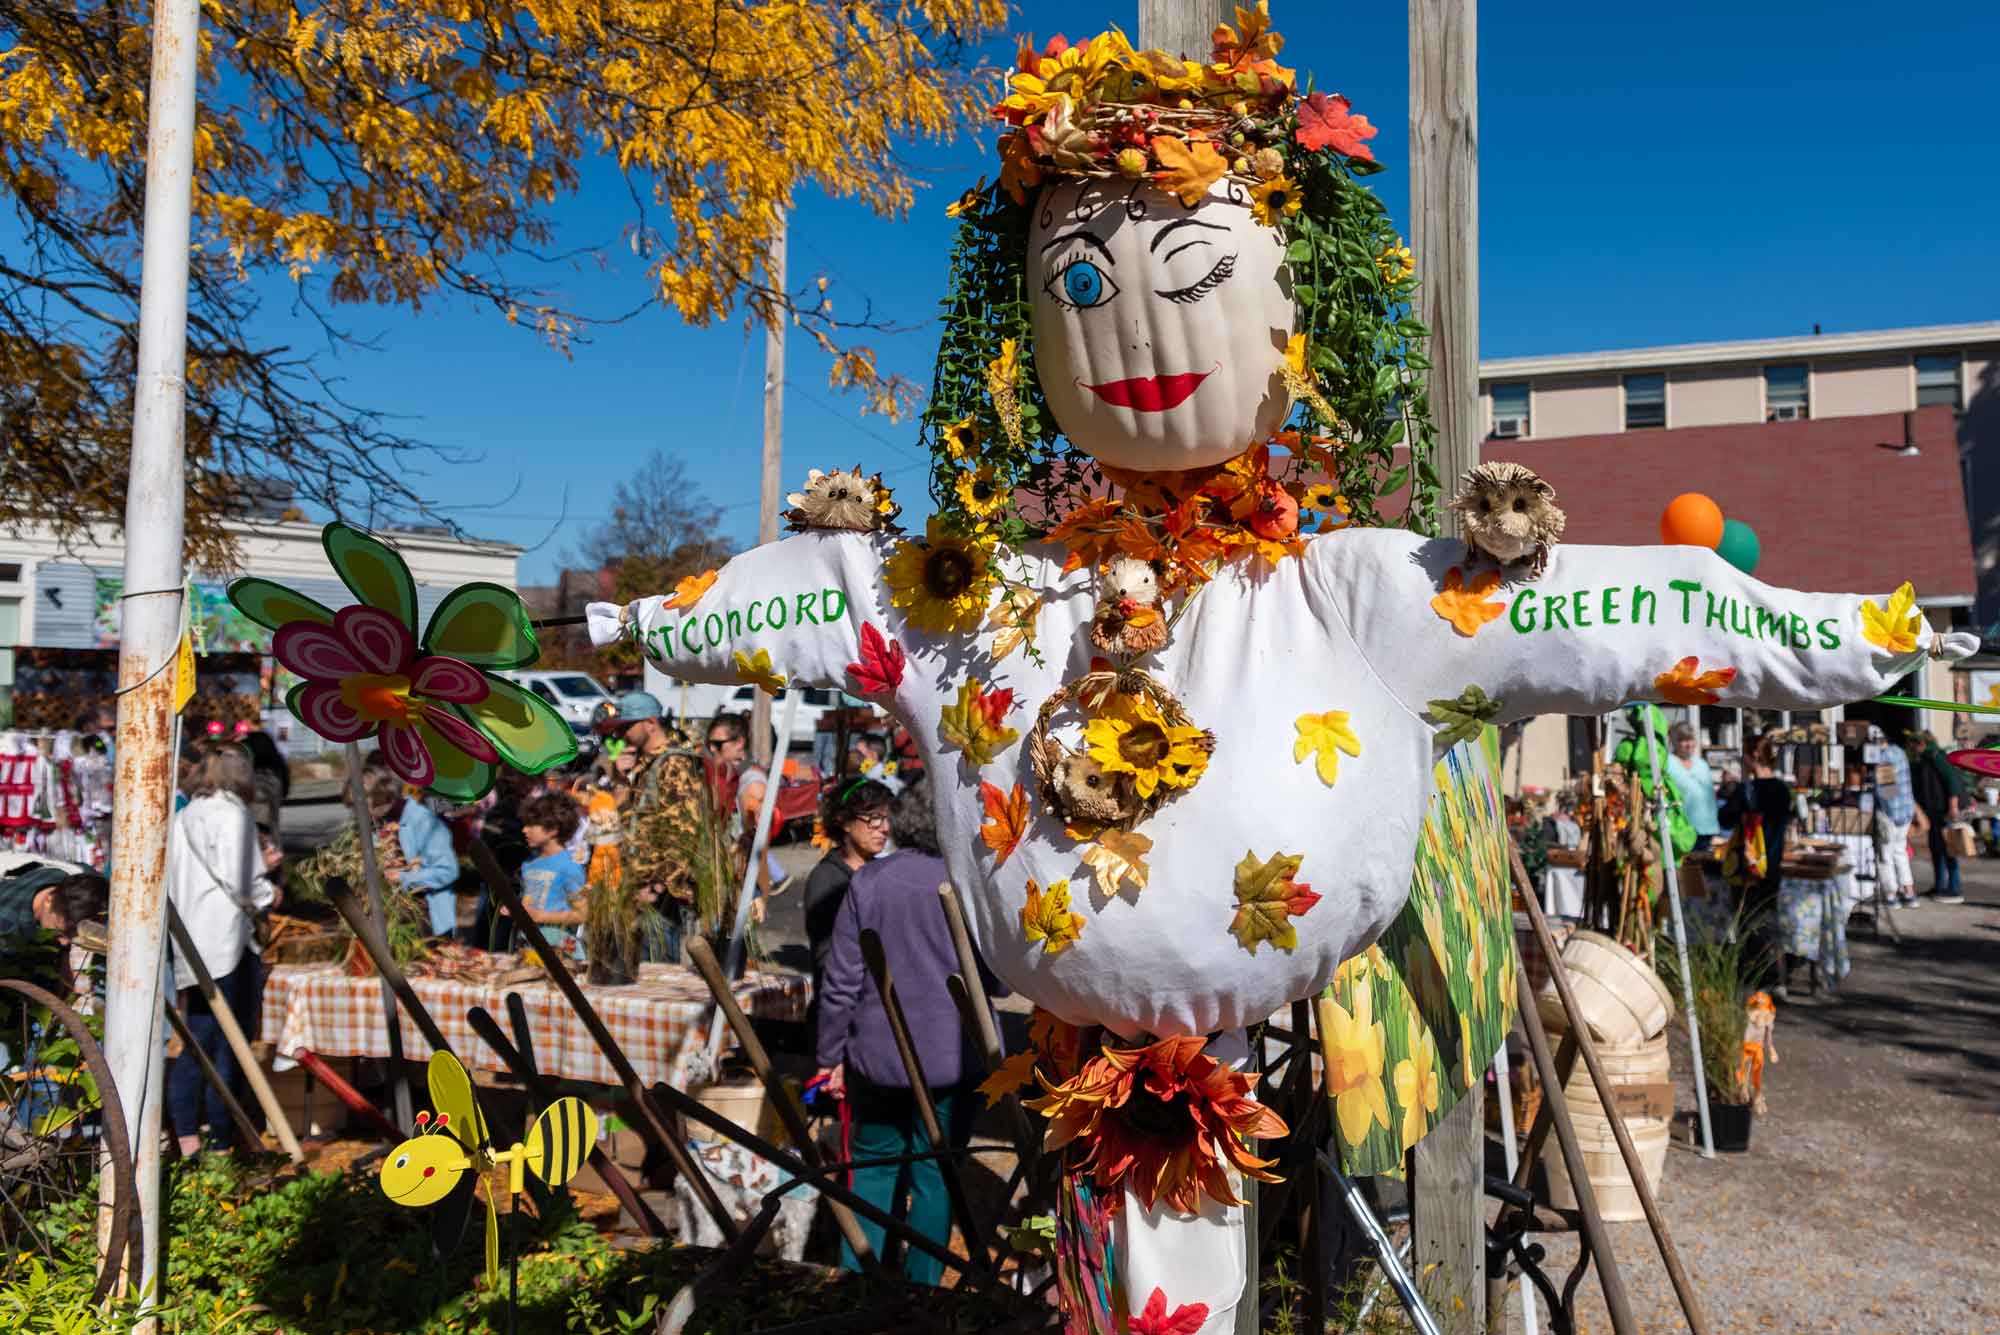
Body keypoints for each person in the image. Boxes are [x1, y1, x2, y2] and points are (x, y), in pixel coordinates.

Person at [814, 786, 989, 1284]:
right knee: (935, 1174)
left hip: (878, 1053)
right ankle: (921, 1290)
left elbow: (840, 980)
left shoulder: (869, 882)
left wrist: (829, 1055)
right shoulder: (966, 884)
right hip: (953, 1056)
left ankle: (858, 1283)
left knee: (875, 1167)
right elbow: (995, 979)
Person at [167, 743, 282, 1156]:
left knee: (197, 1038)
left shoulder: (185, 815)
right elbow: (242, 879)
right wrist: (268, 889)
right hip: (226, 940)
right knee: (228, 1042)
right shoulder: (234, 814)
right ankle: (219, 1137)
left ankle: (186, 1135)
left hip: (191, 939)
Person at [803, 778, 895, 983]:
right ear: (844, 821)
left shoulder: (882, 871)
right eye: (874, 818)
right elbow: (828, 958)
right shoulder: (826, 880)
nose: (885, 828)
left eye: (888, 818)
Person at [1721, 731, 1793, 987]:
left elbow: (1725, 819)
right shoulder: (1783, 790)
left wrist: (1729, 790)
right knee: (1770, 922)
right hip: (1772, 866)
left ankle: (1751, 981)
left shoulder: (1747, 789)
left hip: (1748, 868)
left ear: (1753, 757)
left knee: (1747, 925)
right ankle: (1778, 979)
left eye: (1744, 755)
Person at [363, 766, 462, 938]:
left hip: (429, 922)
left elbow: (448, 871)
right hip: (396, 920)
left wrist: (403, 877)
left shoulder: (425, 823)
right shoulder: (382, 823)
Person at [517, 792, 587, 962]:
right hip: (527, 945)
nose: (524, 830)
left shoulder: (569, 868)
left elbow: (584, 913)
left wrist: (544, 917)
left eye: (532, 824)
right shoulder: (529, 864)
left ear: (553, 830)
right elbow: (530, 900)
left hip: (560, 951)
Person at [1908, 730, 1967, 904]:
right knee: (1936, 848)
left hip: (1944, 811)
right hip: (1933, 811)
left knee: (1949, 849)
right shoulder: (1925, 759)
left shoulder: (1936, 756)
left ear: (1921, 743)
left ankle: (1954, 889)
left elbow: (1952, 781)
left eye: (1913, 745)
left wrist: (1953, 807)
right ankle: (1940, 885)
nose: (1911, 749)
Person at [1875, 733, 1919, 909]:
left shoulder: (1883, 757)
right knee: (1900, 852)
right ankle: (1909, 893)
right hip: (1906, 809)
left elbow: (1887, 791)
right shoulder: (1899, 752)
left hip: (1891, 812)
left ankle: (1891, 895)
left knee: (1885, 855)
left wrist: (1884, 810)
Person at [1664, 723, 1722, 853]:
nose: (1688, 744)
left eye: (1690, 740)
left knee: (1701, 869)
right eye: (1683, 740)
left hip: (1706, 828)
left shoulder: (1702, 764)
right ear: (1674, 741)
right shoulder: (1667, 762)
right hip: (1680, 827)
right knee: (1685, 869)